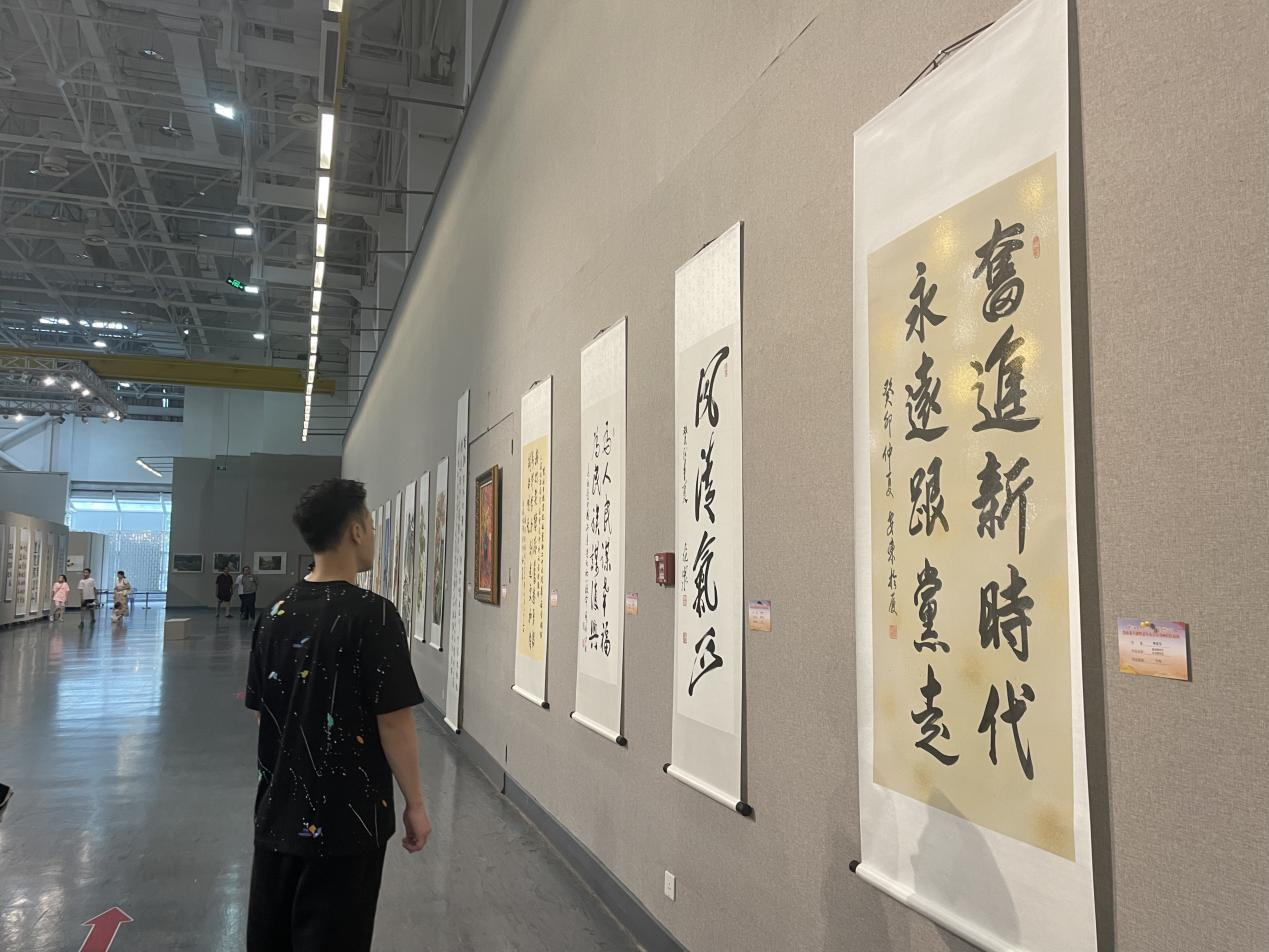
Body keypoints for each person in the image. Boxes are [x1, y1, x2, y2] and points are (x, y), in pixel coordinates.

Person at [245, 478, 430, 952]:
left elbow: (265, 716)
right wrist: (415, 803)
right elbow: (394, 723)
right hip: (349, 825)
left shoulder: (275, 614)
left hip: (277, 817)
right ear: (355, 531)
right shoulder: (375, 616)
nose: (373, 534)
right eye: (371, 524)